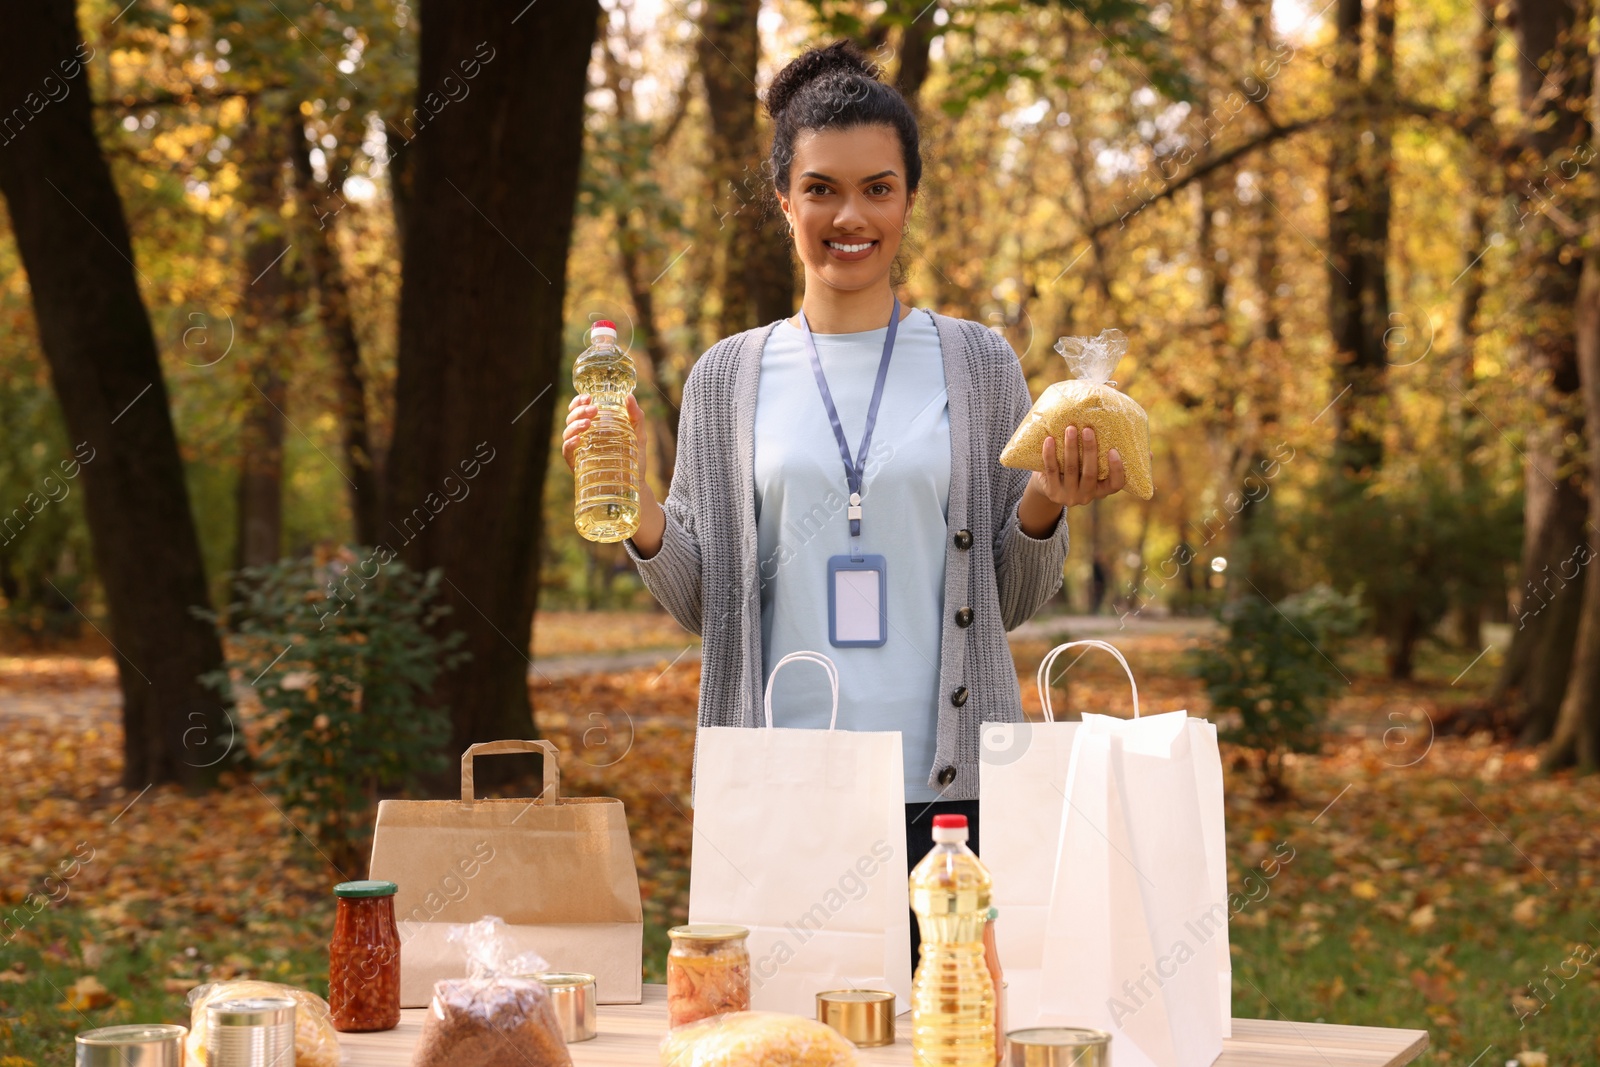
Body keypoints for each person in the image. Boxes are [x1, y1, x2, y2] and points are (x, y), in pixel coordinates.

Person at [562, 40, 1127, 965]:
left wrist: (1041, 509)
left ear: (908, 199)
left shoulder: (979, 363)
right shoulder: (727, 377)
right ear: (784, 199)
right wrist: (633, 508)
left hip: (952, 792)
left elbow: (1013, 598)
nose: (850, 215)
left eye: (879, 187)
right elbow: (710, 604)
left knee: (955, 1037)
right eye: (821, 189)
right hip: (783, 781)